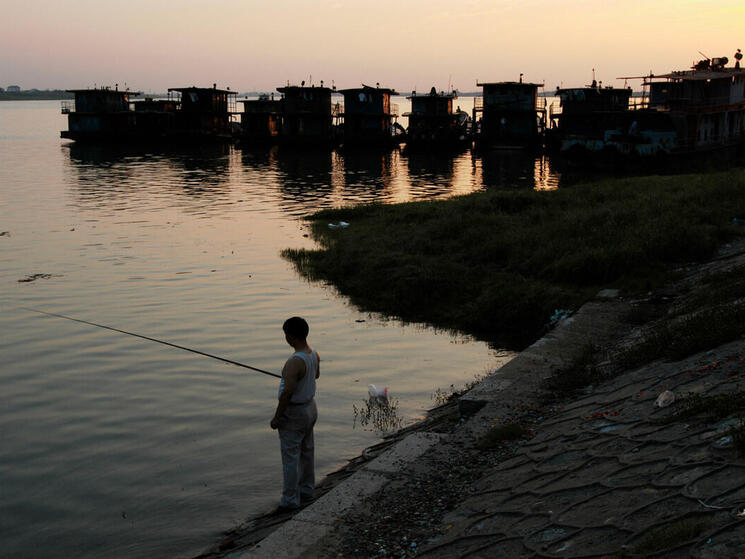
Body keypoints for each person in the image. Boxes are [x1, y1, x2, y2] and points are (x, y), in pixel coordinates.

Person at [270, 316, 320, 512]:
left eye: (286, 334)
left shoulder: (294, 361)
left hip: (295, 413)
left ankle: (290, 500)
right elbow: (315, 375)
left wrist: (277, 417)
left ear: (291, 336)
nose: (285, 338)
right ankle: (307, 490)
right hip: (310, 408)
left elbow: (287, 394)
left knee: (290, 456)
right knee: (307, 452)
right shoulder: (313, 353)